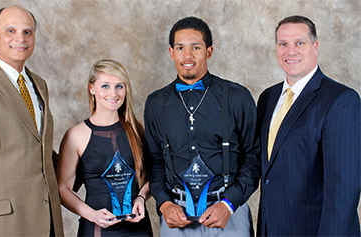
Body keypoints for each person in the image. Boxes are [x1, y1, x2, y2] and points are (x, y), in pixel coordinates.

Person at [144, 16, 260, 236]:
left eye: (195, 47)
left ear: (209, 51)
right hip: (177, 217)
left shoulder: (237, 97)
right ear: (171, 52)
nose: (187, 56)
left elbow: (253, 157)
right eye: (180, 48)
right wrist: (164, 204)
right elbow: (155, 161)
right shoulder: (155, 103)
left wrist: (229, 204)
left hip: (229, 215)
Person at [0, 6, 64, 236]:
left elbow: (40, 150)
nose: (21, 38)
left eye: (27, 32)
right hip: (4, 226)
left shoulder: (39, 84)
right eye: (11, 31)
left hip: (48, 222)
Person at [256, 15, 361, 236]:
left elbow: (343, 193)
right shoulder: (268, 97)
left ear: (315, 46)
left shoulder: (341, 100)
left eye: (299, 43)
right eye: (283, 44)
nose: (290, 51)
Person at [56, 59, 152, 236]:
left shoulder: (137, 130)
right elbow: (63, 190)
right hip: (96, 229)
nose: (113, 93)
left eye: (119, 86)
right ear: (92, 88)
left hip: (138, 229)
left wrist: (141, 197)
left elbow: (152, 176)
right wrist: (91, 215)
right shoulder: (75, 136)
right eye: (105, 86)